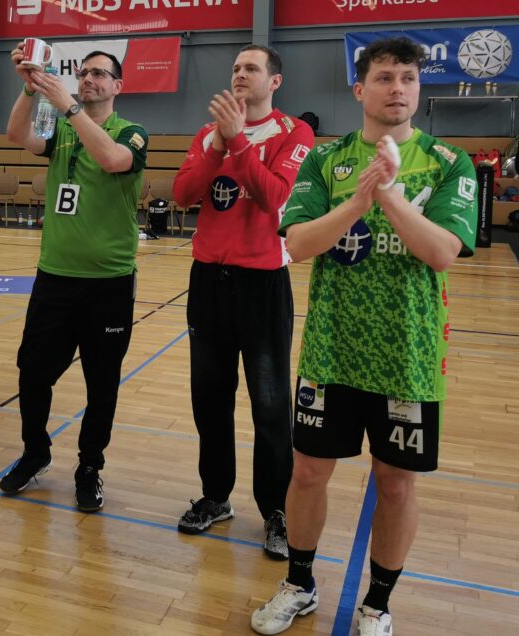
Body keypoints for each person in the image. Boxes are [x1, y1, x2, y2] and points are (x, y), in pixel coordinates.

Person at [250, 37, 477, 635]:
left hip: (409, 357)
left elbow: (442, 252)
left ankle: (377, 603)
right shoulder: (325, 160)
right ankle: (299, 584)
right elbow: (299, 244)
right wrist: (357, 199)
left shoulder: (450, 163)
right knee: (306, 473)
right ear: (359, 89)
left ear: (418, 88)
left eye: (408, 78)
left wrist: (390, 195)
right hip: (331, 350)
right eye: (384, 77)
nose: (397, 88)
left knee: (395, 483)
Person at [172, 45, 314, 558]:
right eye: (235, 67)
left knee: (270, 403)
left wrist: (235, 141)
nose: (239, 74)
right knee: (209, 398)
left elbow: (275, 196)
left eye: (251, 68)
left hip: (263, 282)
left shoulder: (295, 133)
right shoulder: (206, 135)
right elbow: (183, 194)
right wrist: (218, 143)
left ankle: (276, 509)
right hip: (209, 281)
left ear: (274, 81)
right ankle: (216, 496)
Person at [0, 48, 148, 512]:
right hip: (55, 277)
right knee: (32, 372)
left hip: (108, 282)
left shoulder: (131, 132)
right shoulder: (61, 130)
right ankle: (35, 452)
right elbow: (16, 135)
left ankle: (89, 467)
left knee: (101, 383)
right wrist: (29, 89)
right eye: (83, 73)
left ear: (118, 86)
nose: (88, 79)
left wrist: (69, 106)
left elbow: (112, 160)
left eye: (100, 73)